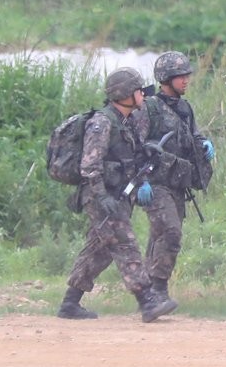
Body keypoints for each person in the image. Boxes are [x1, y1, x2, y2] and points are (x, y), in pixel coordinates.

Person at [57, 68, 178, 323]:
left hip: (118, 195)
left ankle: (70, 302)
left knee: (98, 250)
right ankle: (147, 300)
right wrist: (102, 197)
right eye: (138, 91)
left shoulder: (126, 122)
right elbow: (90, 166)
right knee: (125, 243)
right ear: (125, 94)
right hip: (100, 196)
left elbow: (125, 158)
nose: (142, 95)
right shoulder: (102, 123)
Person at [134, 51, 214, 301]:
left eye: (187, 75)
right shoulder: (149, 108)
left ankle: (147, 291)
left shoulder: (184, 107)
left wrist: (203, 144)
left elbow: (193, 135)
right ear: (166, 78)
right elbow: (136, 145)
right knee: (170, 232)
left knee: (160, 235)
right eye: (180, 76)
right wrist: (141, 182)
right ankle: (158, 289)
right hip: (155, 183)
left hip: (178, 183)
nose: (186, 80)